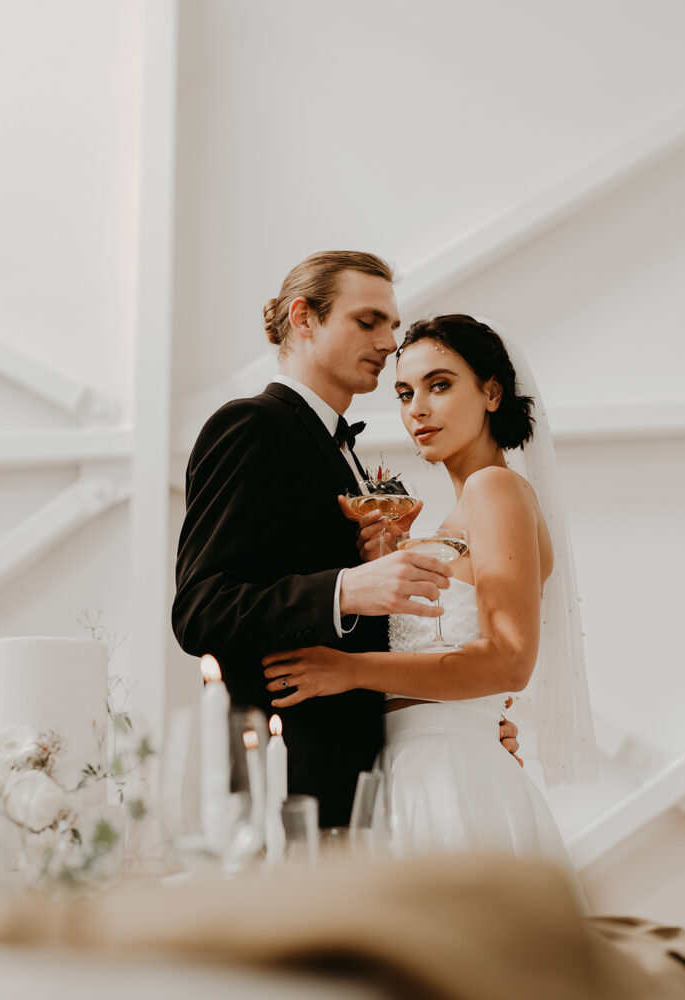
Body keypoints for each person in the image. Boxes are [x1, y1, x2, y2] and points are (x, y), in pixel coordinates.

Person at [172, 254, 521, 828]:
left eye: (391, 324)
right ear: (303, 318)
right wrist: (346, 589)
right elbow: (200, 610)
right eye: (368, 321)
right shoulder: (253, 426)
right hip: (290, 783)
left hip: (377, 782)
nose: (388, 342)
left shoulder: (346, 457)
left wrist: (462, 724)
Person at [261, 314, 601, 862]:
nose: (416, 409)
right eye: (404, 393)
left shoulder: (495, 488)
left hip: (450, 777)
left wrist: (346, 670)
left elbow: (509, 662)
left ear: (492, 393)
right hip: (408, 772)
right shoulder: (454, 519)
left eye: (439, 385)